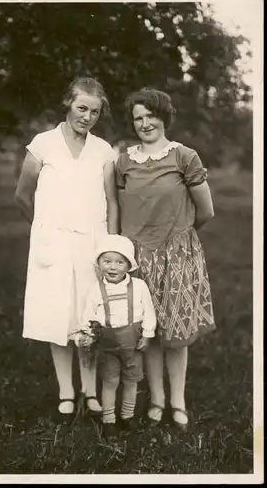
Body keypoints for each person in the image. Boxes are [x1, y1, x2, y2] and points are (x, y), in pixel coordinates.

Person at [15, 77, 119, 423]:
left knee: (87, 316)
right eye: (81, 108)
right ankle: (66, 392)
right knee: (58, 315)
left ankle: (89, 390)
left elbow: (111, 202)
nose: (87, 117)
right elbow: (22, 195)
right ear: (68, 104)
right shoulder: (43, 145)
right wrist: (44, 227)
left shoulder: (103, 150)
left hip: (92, 242)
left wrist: (111, 246)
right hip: (54, 242)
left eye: (95, 111)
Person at [115, 87, 216, 431]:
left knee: (177, 332)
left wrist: (181, 236)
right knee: (150, 331)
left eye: (150, 116)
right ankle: (156, 399)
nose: (144, 124)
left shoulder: (184, 157)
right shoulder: (124, 161)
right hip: (138, 258)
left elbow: (206, 210)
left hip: (176, 254)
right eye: (137, 118)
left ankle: (178, 401)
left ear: (164, 117)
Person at [74, 234, 156, 439]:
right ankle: (108, 419)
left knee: (131, 380)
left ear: (129, 265)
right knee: (110, 381)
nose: (112, 267)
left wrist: (147, 335)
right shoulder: (96, 290)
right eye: (107, 261)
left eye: (119, 262)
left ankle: (127, 416)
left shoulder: (139, 287)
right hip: (108, 345)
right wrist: (88, 334)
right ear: (99, 263)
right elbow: (88, 317)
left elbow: (149, 312)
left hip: (133, 343)